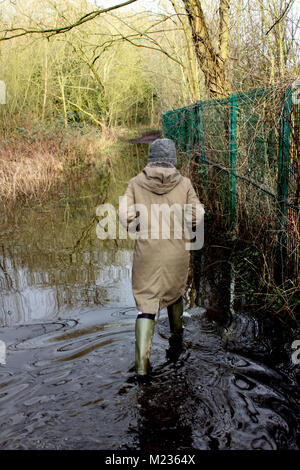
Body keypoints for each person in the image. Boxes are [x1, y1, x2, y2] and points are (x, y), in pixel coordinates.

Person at [118, 138, 205, 379]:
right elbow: (197, 216)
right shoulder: (185, 184)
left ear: (151, 158)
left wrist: (139, 227)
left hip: (147, 253)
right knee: (175, 292)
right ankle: (177, 340)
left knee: (147, 303)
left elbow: (124, 217)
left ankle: (142, 368)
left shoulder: (136, 183)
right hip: (177, 251)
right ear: (173, 159)